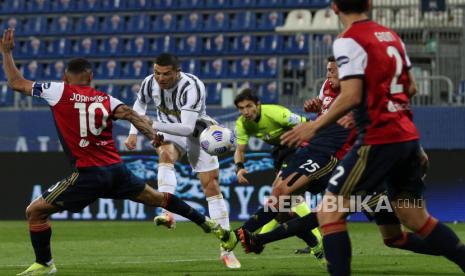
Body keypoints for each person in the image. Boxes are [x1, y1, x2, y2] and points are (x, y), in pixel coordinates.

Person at [0, 29, 220, 276]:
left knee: (35, 212)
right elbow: (133, 116)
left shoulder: (58, 90)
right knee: (158, 198)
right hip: (116, 171)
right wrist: (152, 137)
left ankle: (45, 263)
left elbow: (16, 83)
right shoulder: (108, 99)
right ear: (91, 76)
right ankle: (205, 222)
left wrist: (7, 53)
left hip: (87, 174)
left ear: (65, 76)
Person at [280, 1, 465, 274]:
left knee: (329, 211)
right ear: (369, 4)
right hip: (407, 138)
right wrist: (369, 109)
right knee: (414, 219)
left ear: (333, 8)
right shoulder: (391, 36)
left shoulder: (348, 40)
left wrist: (314, 126)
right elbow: (411, 87)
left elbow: (351, 95)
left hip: (379, 140)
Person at [217, 57, 356, 265]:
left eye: (333, 72)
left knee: (288, 196)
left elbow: (307, 124)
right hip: (306, 148)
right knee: (281, 206)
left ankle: (242, 235)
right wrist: (314, 105)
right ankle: (312, 242)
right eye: (328, 71)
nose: (329, 76)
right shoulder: (327, 87)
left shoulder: (353, 94)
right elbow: (320, 109)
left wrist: (309, 129)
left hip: (326, 153)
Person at [124, 53, 241, 269]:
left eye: (166, 74)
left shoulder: (192, 86)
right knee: (165, 154)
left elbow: (187, 128)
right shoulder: (149, 83)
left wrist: (153, 125)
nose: (160, 78)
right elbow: (138, 107)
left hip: (198, 133)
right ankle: (167, 213)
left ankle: (227, 249)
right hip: (169, 130)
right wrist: (134, 132)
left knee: (211, 187)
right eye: (157, 73)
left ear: (177, 71)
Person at [233, 88, 323, 254]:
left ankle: (256, 236)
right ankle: (315, 241)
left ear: (258, 105)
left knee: (279, 193)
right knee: (282, 213)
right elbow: (240, 150)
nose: (245, 111)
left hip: (299, 147)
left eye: (248, 106)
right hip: (280, 152)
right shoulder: (242, 124)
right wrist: (239, 168)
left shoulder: (276, 113)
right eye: (241, 108)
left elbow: (307, 124)